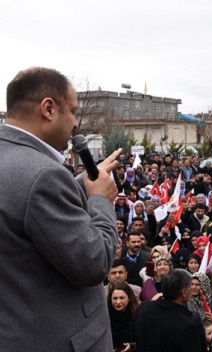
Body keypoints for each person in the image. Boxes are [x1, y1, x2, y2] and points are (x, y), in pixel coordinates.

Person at [0, 67, 121, 351]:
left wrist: (77, 185)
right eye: (73, 111)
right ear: (48, 109)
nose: (76, 124)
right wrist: (100, 200)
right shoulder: (44, 175)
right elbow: (93, 263)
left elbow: (23, 206)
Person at [136, 269, 207, 352]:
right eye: (190, 286)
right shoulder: (187, 326)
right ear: (184, 293)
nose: (192, 289)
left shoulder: (144, 308)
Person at [108, 282, 139, 351]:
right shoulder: (105, 317)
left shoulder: (137, 315)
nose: (118, 302)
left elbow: (144, 340)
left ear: (129, 298)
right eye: (115, 298)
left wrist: (132, 346)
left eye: (122, 298)